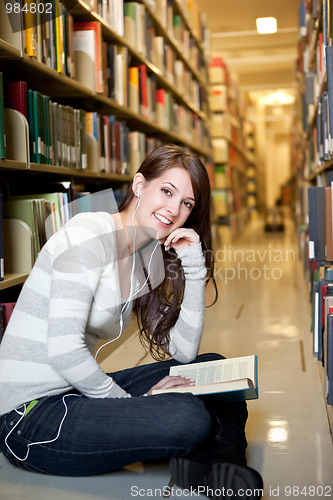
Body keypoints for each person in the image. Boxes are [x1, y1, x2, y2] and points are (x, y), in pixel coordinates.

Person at [0, 145, 263, 498]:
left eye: (187, 202)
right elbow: (64, 350)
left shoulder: (147, 255)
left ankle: (217, 465)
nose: (174, 209)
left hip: (73, 392)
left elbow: (184, 354)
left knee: (217, 371)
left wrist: (194, 265)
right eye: (167, 191)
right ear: (139, 185)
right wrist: (133, 404)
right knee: (185, 417)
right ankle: (211, 457)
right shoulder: (88, 234)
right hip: (29, 418)